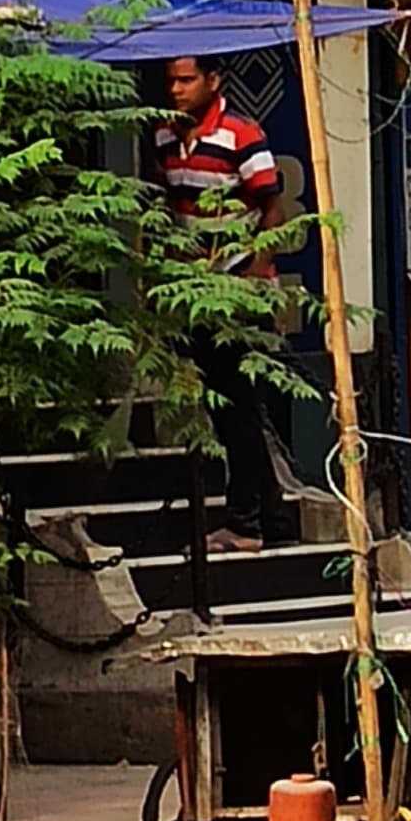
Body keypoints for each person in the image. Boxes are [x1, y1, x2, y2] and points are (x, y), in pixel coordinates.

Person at [153, 49, 293, 552]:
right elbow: (171, 204)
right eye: (172, 80)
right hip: (196, 288)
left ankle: (246, 521)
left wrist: (256, 273)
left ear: (213, 80)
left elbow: (272, 208)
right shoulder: (166, 136)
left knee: (237, 408)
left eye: (187, 80)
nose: (176, 90)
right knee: (231, 408)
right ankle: (269, 516)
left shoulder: (243, 135)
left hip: (239, 287)